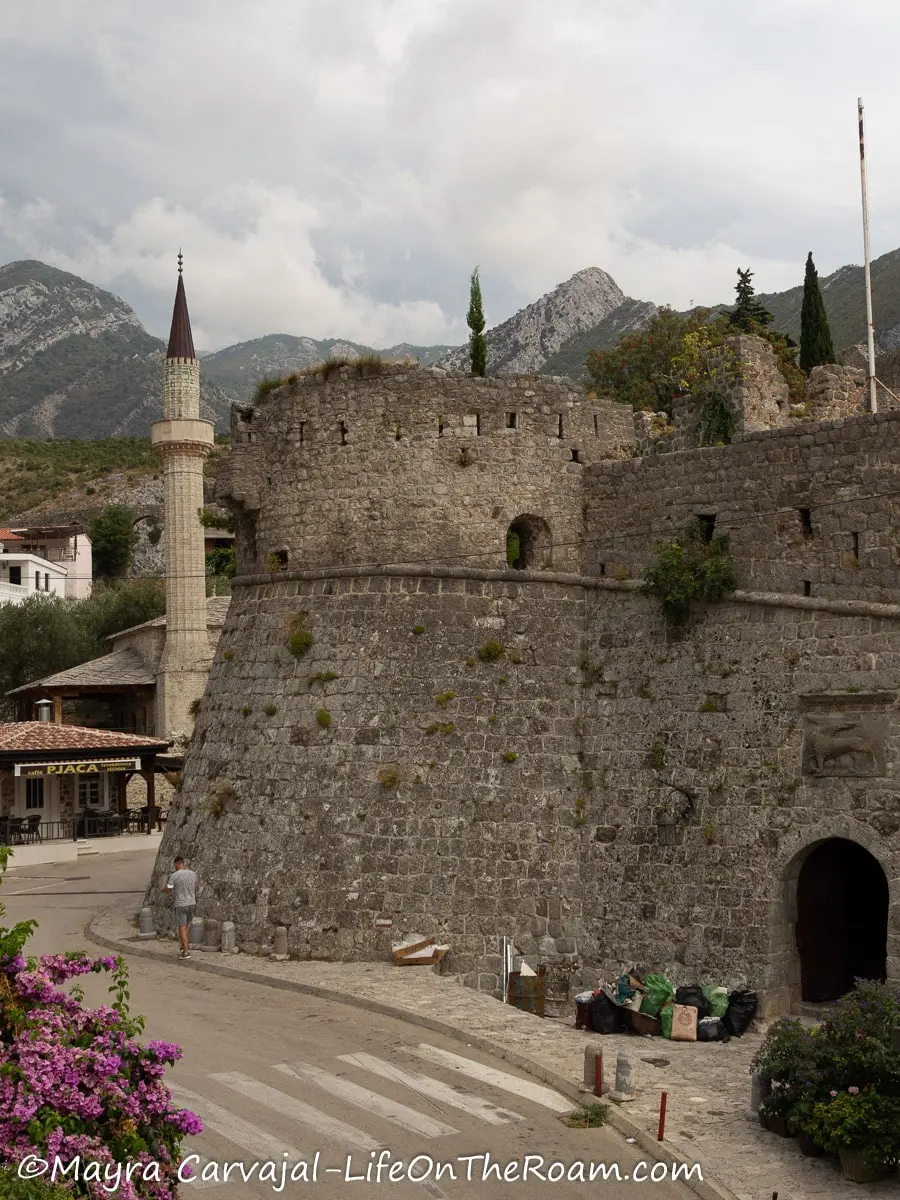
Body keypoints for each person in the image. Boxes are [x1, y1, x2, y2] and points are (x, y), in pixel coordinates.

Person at [166, 855, 198, 959]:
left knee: (182, 928)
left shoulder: (174, 875)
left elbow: (168, 888)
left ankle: (186, 952)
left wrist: (164, 889)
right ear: (183, 863)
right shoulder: (193, 874)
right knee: (187, 926)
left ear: (177, 864)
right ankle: (183, 945)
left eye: (174, 865)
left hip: (181, 904)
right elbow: (195, 887)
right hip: (192, 903)